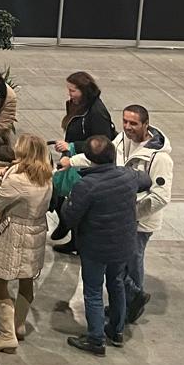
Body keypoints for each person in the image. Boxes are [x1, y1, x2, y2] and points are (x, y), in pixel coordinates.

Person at [59, 135, 151, 355]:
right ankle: (117, 331)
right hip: (123, 243)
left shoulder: (86, 185)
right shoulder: (128, 176)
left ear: (90, 159)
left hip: (95, 247)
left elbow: (69, 217)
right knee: (116, 283)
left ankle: (96, 339)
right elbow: (146, 180)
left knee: (93, 291)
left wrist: (68, 202)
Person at [0, 132, 53, 353]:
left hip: (14, 233)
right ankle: (18, 325)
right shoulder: (46, 175)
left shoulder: (18, 179)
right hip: (37, 231)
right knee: (27, 278)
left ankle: (6, 335)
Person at [117, 104, 173, 324]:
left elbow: (161, 197)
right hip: (122, 217)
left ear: (146, 124)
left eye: (133, 123)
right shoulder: (121, 140)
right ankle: (124, 303)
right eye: (125, 121)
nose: (127, 127)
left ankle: (132, 304)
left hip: (139, 221)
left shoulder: (160, 158)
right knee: (121, 262)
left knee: (133, 261)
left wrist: (132, 214)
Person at [50, 71, 113, 252]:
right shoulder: (76, 105)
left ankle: (74, 237)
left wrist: (73, 145)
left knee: (76, 200)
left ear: (84, 91)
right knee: (58, 191)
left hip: (85, 161)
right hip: (72, 155)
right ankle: (66, 225)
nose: (69, 94)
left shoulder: (97, 112)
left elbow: (102, 142)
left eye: (73, 91)